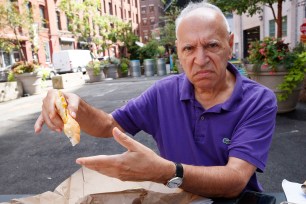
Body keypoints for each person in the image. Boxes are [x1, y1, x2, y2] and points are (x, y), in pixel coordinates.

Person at [34, 1, 277, 199]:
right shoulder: (163, 93)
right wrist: (73, 104)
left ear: (230, 45)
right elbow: (108, 126)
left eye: (212, 45)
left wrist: (166, 171)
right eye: (189, 48)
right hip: (178, 199)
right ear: (178, 51)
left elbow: (235, 180)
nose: (200, 59)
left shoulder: (258, 100)